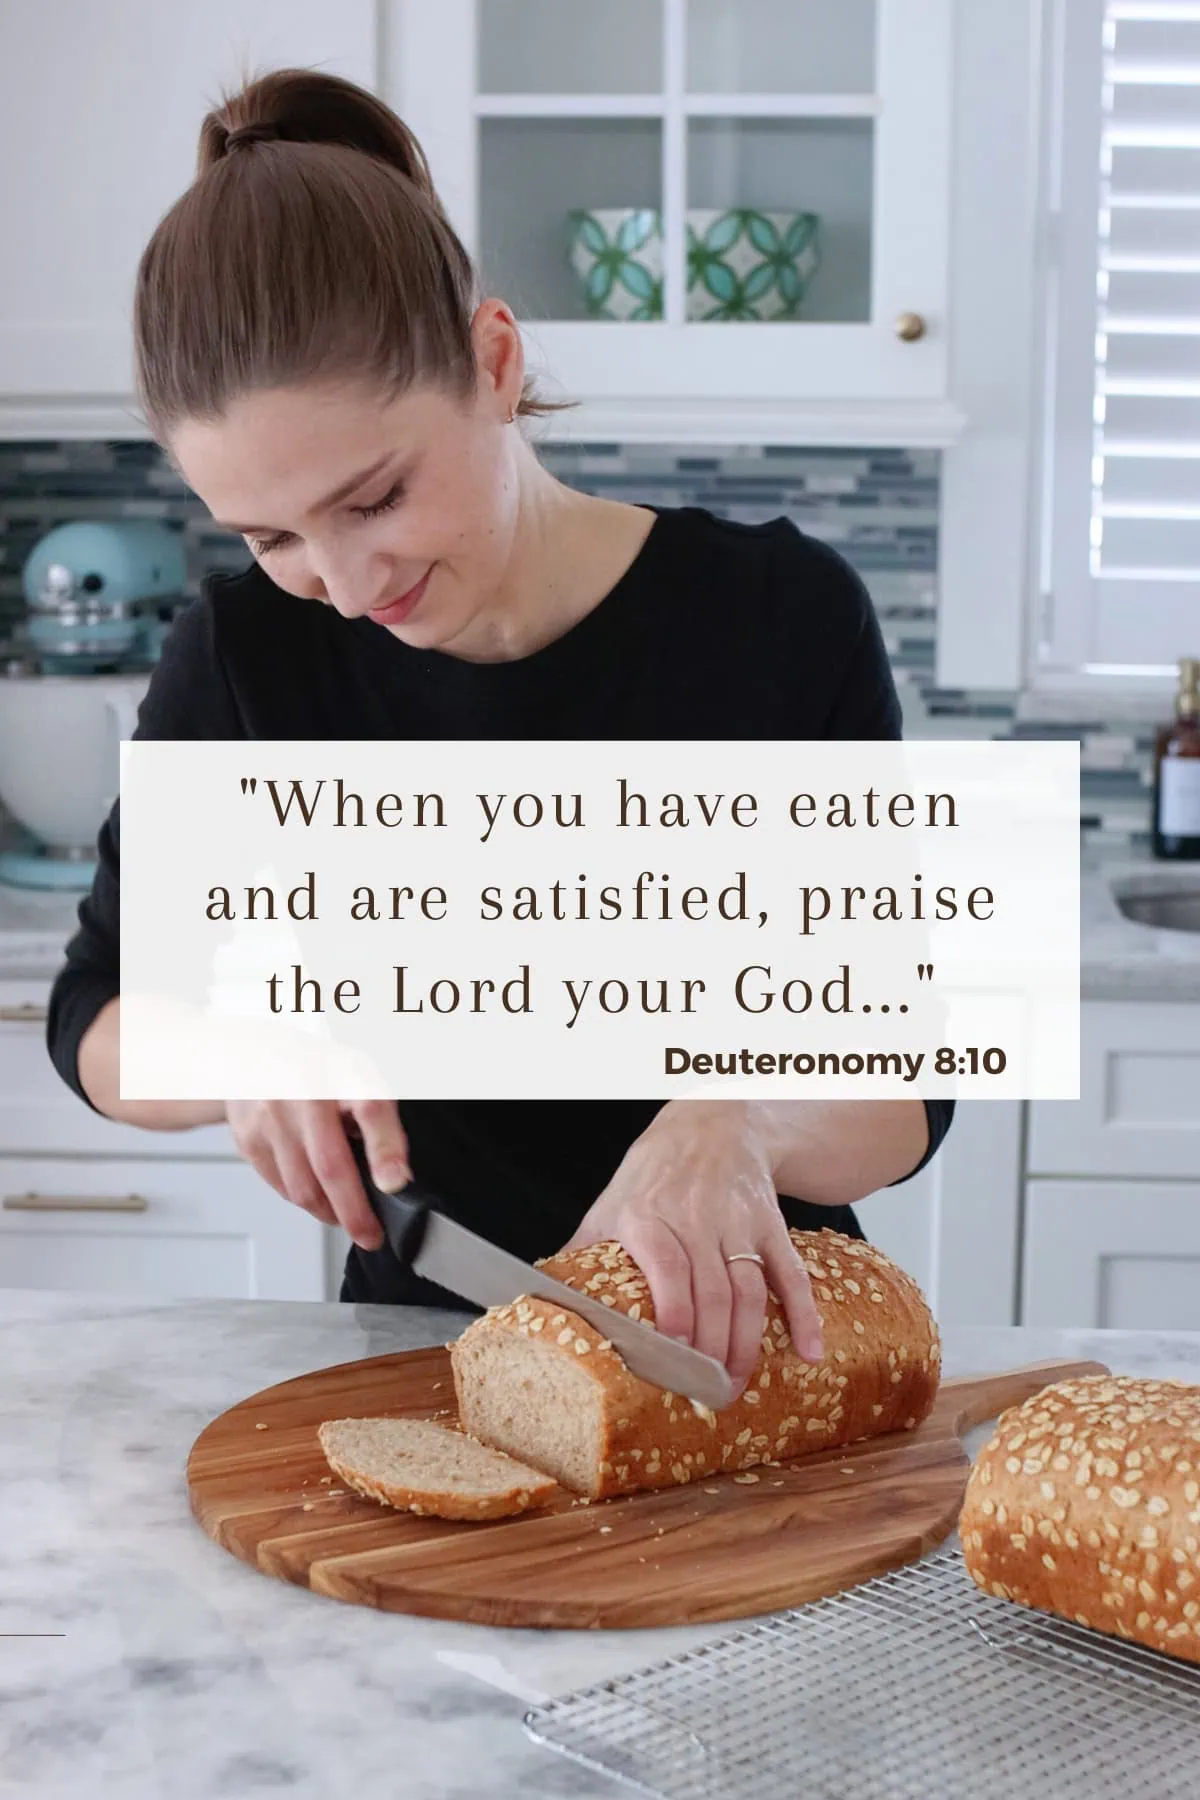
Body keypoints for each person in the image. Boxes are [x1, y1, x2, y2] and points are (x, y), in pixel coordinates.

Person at [45, 68, 953, 1400]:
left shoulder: (775, 615)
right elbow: (92, 1018)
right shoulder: (247, 659)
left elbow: (910, 1084)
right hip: (423, 1347)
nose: (350, 589)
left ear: (494, 360)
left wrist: (735, 1114)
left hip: (751, 1361)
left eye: (375, 497)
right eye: (274, 536)